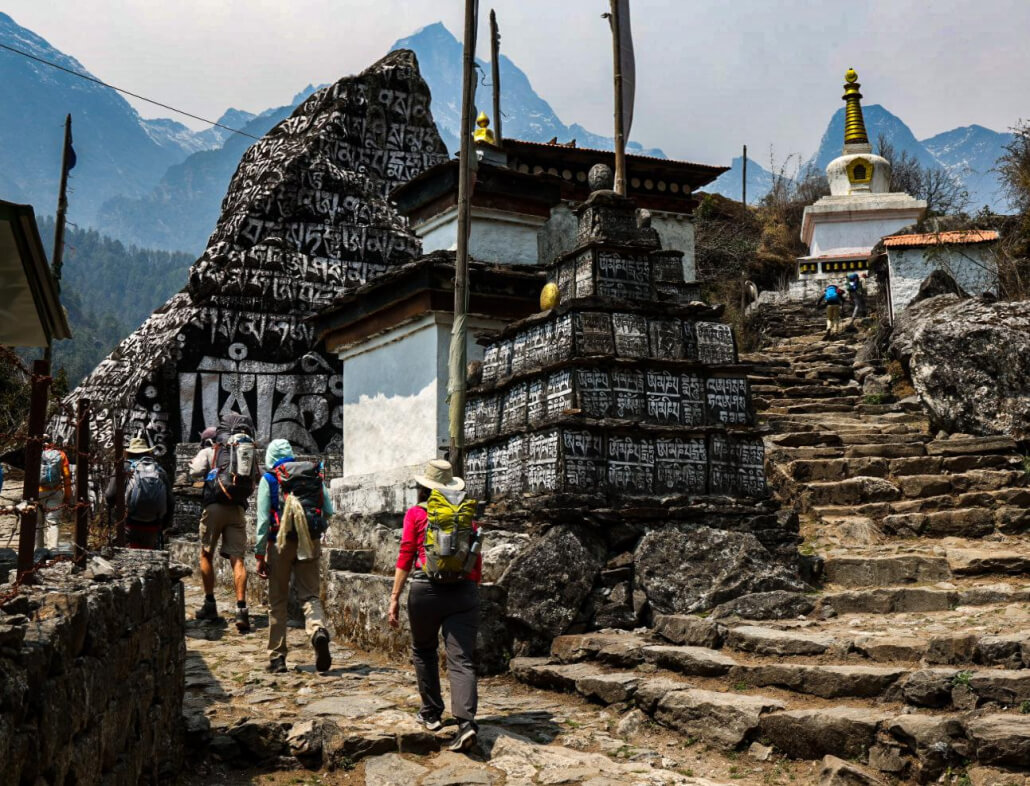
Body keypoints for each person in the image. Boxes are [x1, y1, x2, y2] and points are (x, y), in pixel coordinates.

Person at [388, 459, 483, 753]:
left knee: (424, 649)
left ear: (423, 487)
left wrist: (394, 597)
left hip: (425, 591)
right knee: (461, 659)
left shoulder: (417, 514)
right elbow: (476, 560)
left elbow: (406, 555)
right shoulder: (466, 516)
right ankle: (466, 723)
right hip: (463, 591)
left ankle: (431, 713)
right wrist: (469, 590)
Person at [255, 438, 334, 674]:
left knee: (277, 601)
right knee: (310, 595)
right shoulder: (311, 475)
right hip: (309, 541)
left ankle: (278, 658)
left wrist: (260, 554)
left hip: (280, 543)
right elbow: (328, 511)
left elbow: (262, 522)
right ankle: (318, 630)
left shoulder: (269, 479)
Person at [189, 412, 258, 632]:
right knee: (238, 560)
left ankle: (210, 603)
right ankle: (241, 609)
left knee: (206, 554)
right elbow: (255, 477)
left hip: (215, 507)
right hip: (237, 508)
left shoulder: (212, 450)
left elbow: (195, 472)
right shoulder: (246, 451)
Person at [105, 437, 174, 549]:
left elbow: (110, 495)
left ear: (129, 453)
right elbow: (170, 501)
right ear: (147, 452)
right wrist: (162, 525)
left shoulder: (124, 467)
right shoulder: (159, 470)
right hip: (152, 525)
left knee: (127, 557)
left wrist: (116, 516)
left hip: (129, 523)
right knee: (149, 558)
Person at [36, 435, 72, 551]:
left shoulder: (34, 453)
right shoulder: (61, 455)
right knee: (52, 521)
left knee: (37, 523)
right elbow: (66, 477)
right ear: (51, 443)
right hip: (55, 492)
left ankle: (38, 551)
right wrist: (67, 496)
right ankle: (53, 551)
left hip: (37, 492)